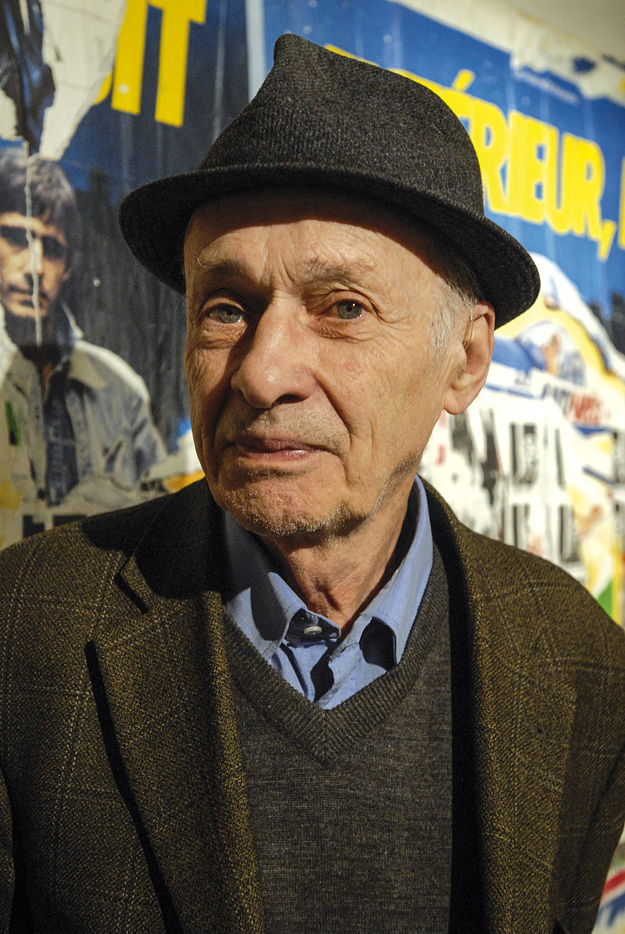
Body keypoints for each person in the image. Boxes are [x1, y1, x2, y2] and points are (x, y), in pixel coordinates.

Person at [0, 34, 624, 934]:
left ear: (465, 360)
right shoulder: (25, 636)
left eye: (342, 309)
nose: (261, 374)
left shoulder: (580, 663)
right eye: (225, 308)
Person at [0, 149, 165, 547]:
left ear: (69, 267)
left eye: (52, 249)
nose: (35, 267)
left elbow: (165, 528)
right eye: (17, 239)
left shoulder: (121, 389)